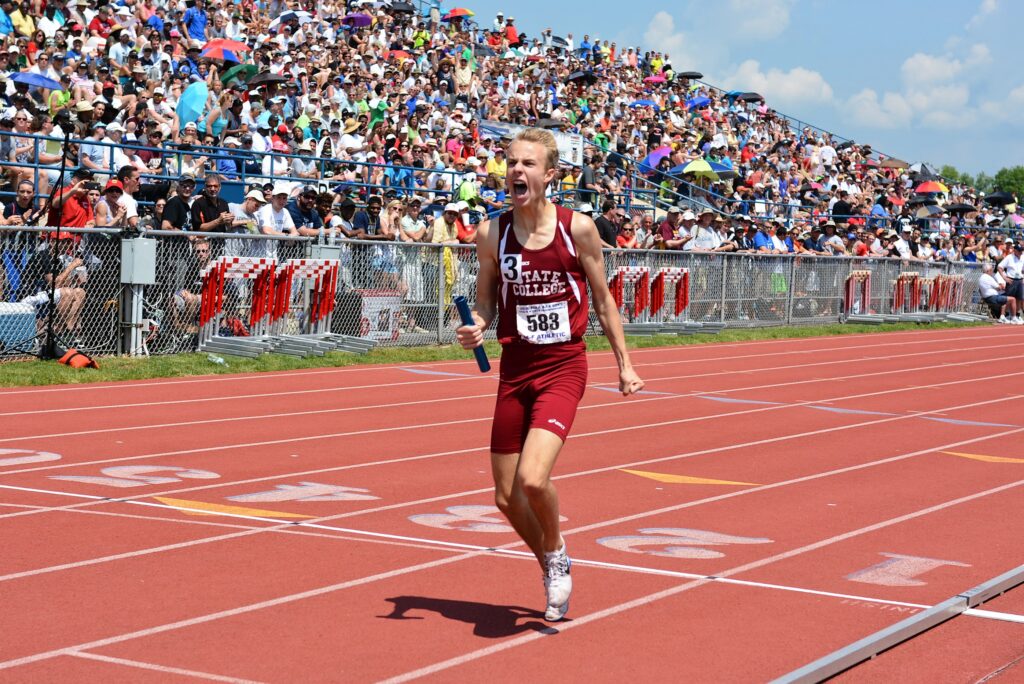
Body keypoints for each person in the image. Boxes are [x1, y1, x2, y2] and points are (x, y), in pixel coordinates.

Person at [455, 128, 644, 622]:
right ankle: (548, 562)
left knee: (534, 480)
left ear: (550, 175)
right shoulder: (491, 233)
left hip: (563, 364)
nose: (517, 170)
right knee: (503, 496)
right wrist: (476, 326)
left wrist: (624, 363)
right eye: (511, 162)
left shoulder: (577, 228)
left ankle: (556, 551)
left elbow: (603, 299)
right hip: (515, 367)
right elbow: (486, 300)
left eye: (529, 164)